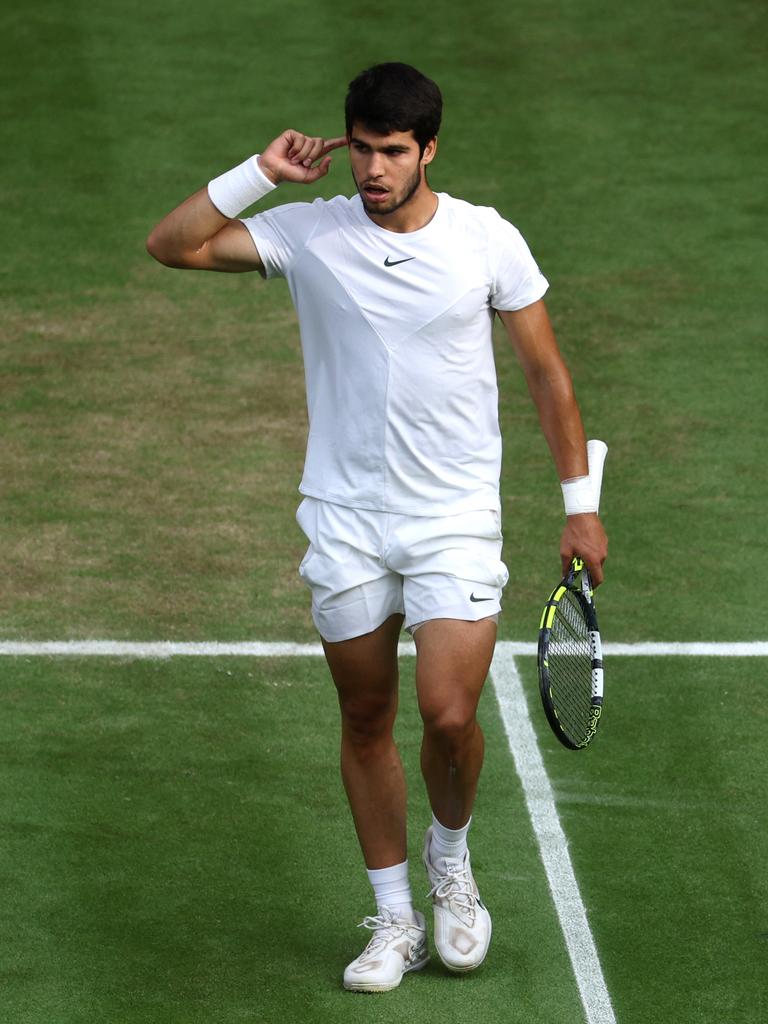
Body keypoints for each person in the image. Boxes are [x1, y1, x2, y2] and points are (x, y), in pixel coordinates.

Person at [146, 62, 607, 992]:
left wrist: (579, 505)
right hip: (346, 520)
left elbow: (547, 373)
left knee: (448, 712)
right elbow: (173, 245)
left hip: (453, 518)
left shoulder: (486, 240)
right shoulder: (309, 232)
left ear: (428, 149)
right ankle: (394, 916)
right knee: (365, 716)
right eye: (359, 148)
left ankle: (452, 864)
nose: (372, 169)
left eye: (392, 151)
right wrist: (262, 171)